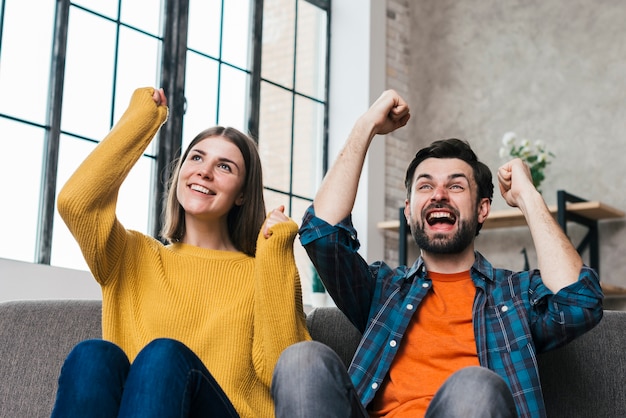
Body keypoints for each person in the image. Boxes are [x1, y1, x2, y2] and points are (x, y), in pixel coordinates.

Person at [271, 90, 603, 418]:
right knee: (302, 361)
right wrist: (366, 125)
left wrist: (527, 195)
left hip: (471, 406)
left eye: (456, 186)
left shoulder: (515, 295)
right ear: (408, 210)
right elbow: (322, 236)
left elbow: (580, 302)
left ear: (482, 209)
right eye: (425, 186)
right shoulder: (383, 290)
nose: (439, 195)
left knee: (473, 387)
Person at [51, 87, 310, 418]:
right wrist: (143, 120)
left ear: (242, 195)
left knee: (163, 355)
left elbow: (286, 374)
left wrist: (274, 257)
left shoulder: (259, 273)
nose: (204, 171)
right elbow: (76, 203)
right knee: (92, 356)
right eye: (197, 158)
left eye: (225, 167)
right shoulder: (132, 257)